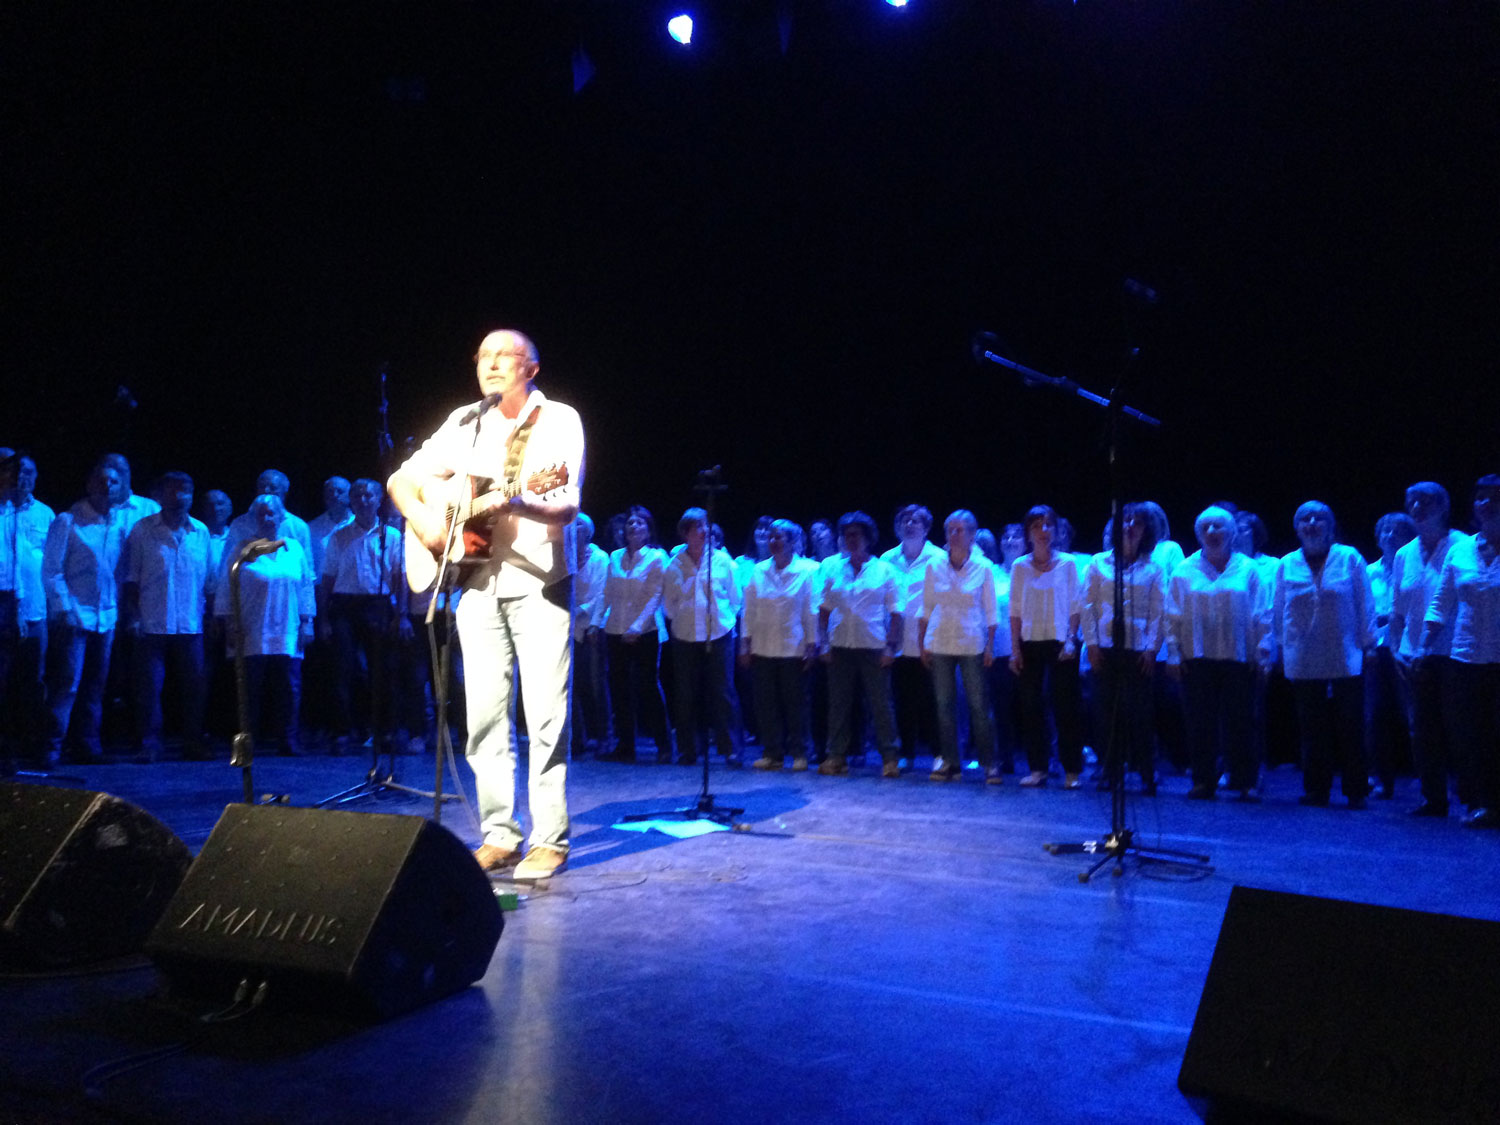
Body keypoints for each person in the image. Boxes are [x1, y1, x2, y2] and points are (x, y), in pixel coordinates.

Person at [390, 328, 583, 881]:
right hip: (473, 580)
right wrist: (428, 521)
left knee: (546, 715)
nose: (492, 364)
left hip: (539, 583)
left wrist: (520, 498)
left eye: (506, 355)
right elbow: (402, 479)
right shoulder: (464, 421)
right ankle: (500, 833)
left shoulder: (559, 420)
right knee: (484, 716)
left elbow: (566, 501)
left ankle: (549, 838)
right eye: (484, 356)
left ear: (532, 368)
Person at [1272, 501, 1375, 809]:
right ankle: (1317, 788)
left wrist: (1368, 644)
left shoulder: (1349, 558)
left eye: (1319, 518)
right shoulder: (1287, 564)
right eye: (1305, 518)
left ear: (1330, 526)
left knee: (1350, 724)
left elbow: (1364, 603)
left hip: (1345, 653)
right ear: (1297, 527)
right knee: (1311, 727)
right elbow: (1277, 610)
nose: (1312, 523)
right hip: (1303, 655)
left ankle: (1356, 789)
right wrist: (1278, 647)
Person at [1166, 506, 1272, 801]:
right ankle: (1204, 780)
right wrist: (1173, 654)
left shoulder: (1248, 570)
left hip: (1239, 657)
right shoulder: (1184, 571)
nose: (1212, 532)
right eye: (1206, 527)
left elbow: (1262, 614)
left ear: (1232, 532)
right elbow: (1171, 616)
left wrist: (1263, 653)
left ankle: (1245, 781)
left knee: (1241, 721)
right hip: (1197, 657)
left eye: (1219, 526)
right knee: (1200, 722)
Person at [1421, 475, 1500, 828]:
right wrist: (1422, 648)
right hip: (1466, 657)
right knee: (1474, 734)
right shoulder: (1461, 550)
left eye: (1494, 498)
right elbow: (1441, 603)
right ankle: (1484, 802)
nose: (1485, 504)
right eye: (1480, 497)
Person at [43, 459, 131, 761]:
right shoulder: (69, 520)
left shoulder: (118, 524)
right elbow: (52, 569)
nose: (108, 486)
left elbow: (118, 572)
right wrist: (64, 608)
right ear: (90, 484)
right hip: (75, 614)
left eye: (114, 482)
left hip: (105, 617)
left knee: (96, 686)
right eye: (103, 481)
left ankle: (88, 744)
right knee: (68, 684)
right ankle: (52, 747)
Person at [122, 471, 213, 761]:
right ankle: (149, 744)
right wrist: (133, 616)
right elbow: (130, 578)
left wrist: (212, 619)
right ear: (161, 494)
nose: (179, 496)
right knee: (149, 689)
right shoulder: (143, 529)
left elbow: (209, 581)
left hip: (190, 622)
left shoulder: (201, 531)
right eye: (173, 491)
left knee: (194, 688)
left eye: (185, 490)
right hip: (152, 622)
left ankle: (193, 741)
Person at [216, 493, 315, 756]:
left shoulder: (294, 548)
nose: (268, 518)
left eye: (272, 513)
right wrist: (229, 624)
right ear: (254, 519)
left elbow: (305, 587)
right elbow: (226, 587)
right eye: (262, 514)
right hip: (253, 627)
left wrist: (307, 623)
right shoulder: (243, 549)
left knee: (289, 687)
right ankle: (250, 742)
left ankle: (289, 740)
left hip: (288, 627)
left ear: (282, 517)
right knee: (251, 689)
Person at [1390, 482, 1465, 818]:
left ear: (1443, 506)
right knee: (1421, 728)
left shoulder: (1463, 546)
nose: (1417, 506)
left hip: (1457, 651)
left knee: (1460, 725)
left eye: (1426, 501)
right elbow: (1397, 611)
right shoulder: (1405, 554)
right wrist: (1394, 649)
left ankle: (1473, 795)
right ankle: (1433, 797)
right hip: (1413, 654)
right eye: (1412, 501)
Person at [1081, 503, 1167, 793]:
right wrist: (1091, 644)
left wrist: (1152, 648)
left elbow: (1159, 611)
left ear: (1146, 530)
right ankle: (1110, 770)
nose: (1130, 527)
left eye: (1138, 523)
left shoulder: (1153, 568)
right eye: (1126, 521)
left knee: (1140, 713)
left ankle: (1146, 771)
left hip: (1138, 648)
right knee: (1105, 712)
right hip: (1105, 645)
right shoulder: (1098, 563)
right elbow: (1087, 605)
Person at [319, 479, 408, 754]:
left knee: (383, 671)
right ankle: (343, 732)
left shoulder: (390, 536)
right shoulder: (338, 536)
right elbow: (327, 580)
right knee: (343, 672)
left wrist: (401, 614)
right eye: (357, 495)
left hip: (378, 604)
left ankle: (385, 731)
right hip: (345, 605)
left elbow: (399, 577)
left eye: (368, 494)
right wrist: (323, 619)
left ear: (379, 499)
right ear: (351, 501)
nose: (363, 499)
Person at [817, 511, 902, 777]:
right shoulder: (833, 570)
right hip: (841, 645)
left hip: (873, 646)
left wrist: (890, 647)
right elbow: (823, 610)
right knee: (839, 705)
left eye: (857, 535)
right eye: (847, 535)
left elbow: (897, 614)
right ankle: (836, 756)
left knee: (881, 704)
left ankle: (889, 757)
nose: (851, 540)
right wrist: (824, 645)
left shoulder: (884, 570)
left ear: (868, 538)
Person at [918, 510, 998, 782]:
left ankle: (989, 763)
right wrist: (922, 643)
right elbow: (927, 607)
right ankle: (950, 762)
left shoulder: (983, 566)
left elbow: (991, 611)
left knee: (978, 705)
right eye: (950, 529)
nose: (954, 534)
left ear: (972, 535)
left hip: (971, 642)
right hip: (940, 640)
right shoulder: (934, 565)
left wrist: (989, 647)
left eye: (960, 529)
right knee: (943, 705)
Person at [1009, 505, 1085, 788]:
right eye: (1036, 526)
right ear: (1028, 532)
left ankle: (1071, 770)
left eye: (1048, 525)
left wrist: (1070, 639)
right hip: (1030, 641)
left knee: (1066, 706)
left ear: (1055, 530)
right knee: (1031, 706)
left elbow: (1076, 605)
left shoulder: (1068, 564)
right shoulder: (1020, 566)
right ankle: (1038, 769)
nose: (1043, 531)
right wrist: (1015, 650)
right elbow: (1015, 610)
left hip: (1060, 640)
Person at [662, 506, 744, 767]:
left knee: (722, 692)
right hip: (685, 636)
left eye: (706, 525)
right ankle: (689, 750)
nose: (705, 530)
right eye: (698, 526)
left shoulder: (723, 561)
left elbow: (735, 599)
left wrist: (723, 620)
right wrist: (686, 618)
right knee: (686, 695)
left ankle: (730, 748)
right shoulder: (674, 564)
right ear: (686, 533)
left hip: (718, 634)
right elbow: (668, 605)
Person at [740, 519, 818, 771]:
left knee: (795, 703)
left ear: (793, 542)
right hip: (762, 647)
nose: (774, 541)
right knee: (766, 703)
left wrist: (812, 643)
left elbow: (810, 611)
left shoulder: (805, 572)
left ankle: (799, 753)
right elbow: (748, 610)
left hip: (792, 648)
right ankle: (772, 753)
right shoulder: (759, 570)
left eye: (779, 537)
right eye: (772, 537)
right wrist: (745, 644)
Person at [601, 505, 675, 763]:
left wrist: (636, 627)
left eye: (639, 523)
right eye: (630, 523)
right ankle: (625, 745)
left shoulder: (656, 557)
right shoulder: (615, 556)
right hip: (615, 629)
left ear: (648, 530)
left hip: (645, 632)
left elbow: (655, 595)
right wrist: (599, 622)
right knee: (619, 689)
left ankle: (664, 745)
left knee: (648, 687)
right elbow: (608, 592)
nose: (633, 527)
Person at [0, 452, 54, 764]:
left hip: (35, 611)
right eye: (14, 471)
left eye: (28, 472)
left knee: (34, 681)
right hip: (6, 610)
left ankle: (33, 746)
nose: (22, 477)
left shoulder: (44, 514)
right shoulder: (4, 513)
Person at [882, 504, 944, 766]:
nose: (910, 524)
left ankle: (939, 753)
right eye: (905, 520)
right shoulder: (886, 560)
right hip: (896, 641)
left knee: (932, 701)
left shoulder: (939, 558)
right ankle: (905, 752)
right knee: (901, 700)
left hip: (929, 641)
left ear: (926, 527)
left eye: (916, 520)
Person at [1366, 511, 1417, 797]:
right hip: (1376, 650)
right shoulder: (1368, 571)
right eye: (1384, 531)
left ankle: (1428, 777)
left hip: (1406, 648)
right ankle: (1380, 778)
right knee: (1375, 717)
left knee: (1411, 716)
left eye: (1396, 531)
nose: (1389, 536)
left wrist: (1391, 617)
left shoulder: (1412, 567)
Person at [570, 513, 611, 757]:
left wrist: (575, 611)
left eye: (579, 525)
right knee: (571, 687)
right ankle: (577, 739)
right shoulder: (563, 555)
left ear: (588, 530)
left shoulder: (599, 557)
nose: (575, 528)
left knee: (596, 686)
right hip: (568, 629)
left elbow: (599, 595)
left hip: (592, 627)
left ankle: (604, 736)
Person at [307, 476, 354, 577]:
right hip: (322, 588)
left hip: (352, 589)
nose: (334, 495)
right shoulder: (312, 528)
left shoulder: (359, 525)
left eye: (340, 491)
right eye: (330, 491)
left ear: (349, 496)